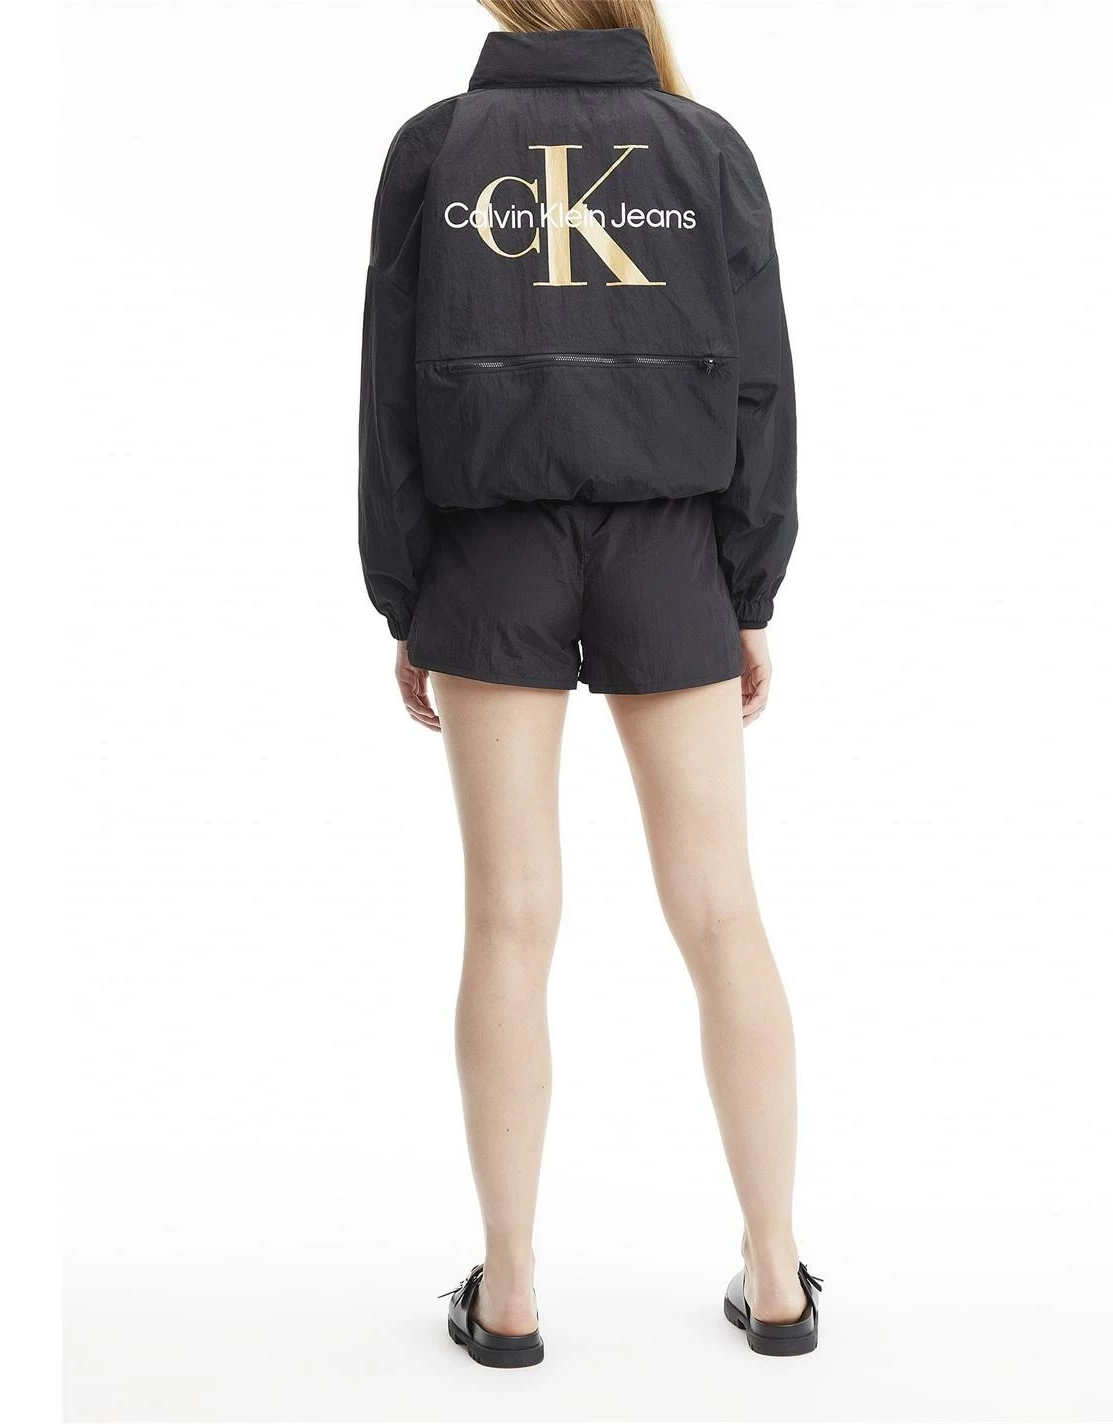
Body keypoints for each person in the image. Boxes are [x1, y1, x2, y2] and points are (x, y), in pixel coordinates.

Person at [358, 0, 814, 1365]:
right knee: (722, 911)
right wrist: (747, 590)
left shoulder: (436, 148)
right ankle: (776, 1279)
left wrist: (406, 594)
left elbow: (389, 400)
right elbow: (763, 388)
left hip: (488, 551)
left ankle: (507, 1297)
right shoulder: (705, 146)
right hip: (671, 546)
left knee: (509, 919)